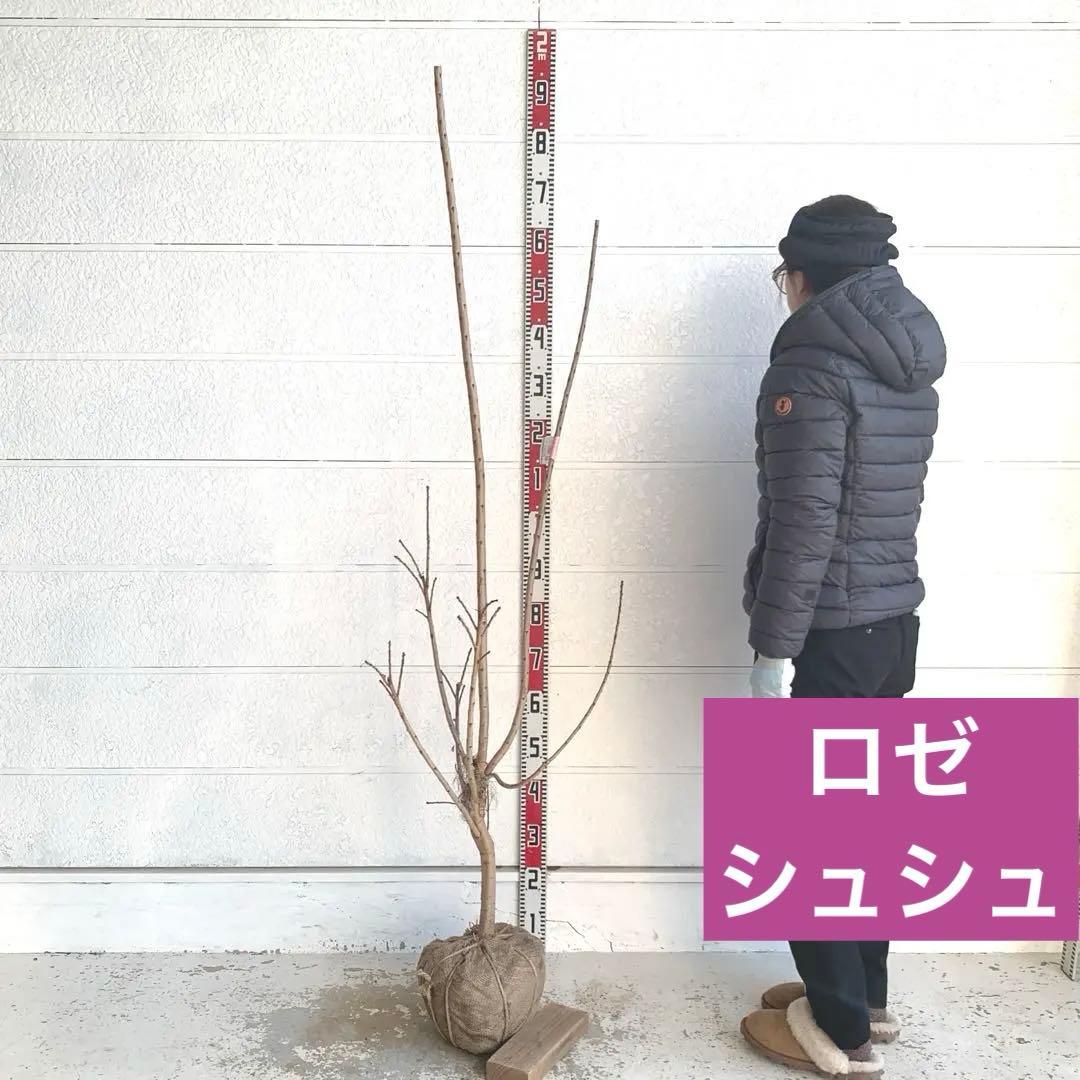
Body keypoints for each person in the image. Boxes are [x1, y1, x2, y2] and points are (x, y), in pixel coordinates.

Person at [738, 195, 946, 1077]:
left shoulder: (813, 368)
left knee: (812, 831)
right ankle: (866, 998)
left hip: (828, 633)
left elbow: (805, 524)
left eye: (783, 275)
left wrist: (772, 648)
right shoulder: (908, 358)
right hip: (892, 627)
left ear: (803, 275)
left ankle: (837, 1032)